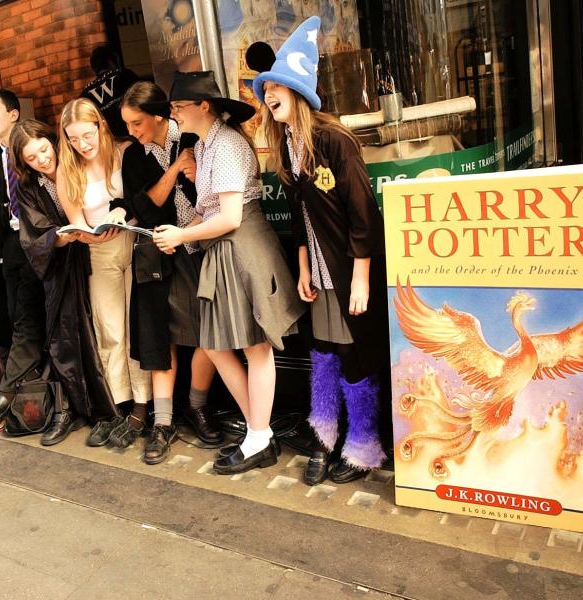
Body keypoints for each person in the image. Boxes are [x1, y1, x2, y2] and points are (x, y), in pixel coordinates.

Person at [252, 17, 390, 484]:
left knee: (355, 353)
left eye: (276, 87)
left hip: (351, 268)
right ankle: (325, 434)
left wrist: (360, 276)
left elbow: (362, 213)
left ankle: (365, 444)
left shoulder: (335, 139)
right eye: (264, 88)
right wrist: (303, 266)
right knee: (325, 350)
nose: (268, 95)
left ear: (298, 92)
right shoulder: (285, 143)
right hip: (321, 268)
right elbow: (299, 215)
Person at [152, 71, 304, 475]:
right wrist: (179, 227)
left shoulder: (228, 144)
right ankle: (260, 433)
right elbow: (213, 212)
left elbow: (231, 216)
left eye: (178, 108)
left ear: (203, 106)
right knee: (219, 347)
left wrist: (183, 232)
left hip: (242, 246)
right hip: (225, 250)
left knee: (255, 348)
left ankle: (258, 436)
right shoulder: (208, 147)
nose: (174, 115)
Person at [0, 119, 118, 444]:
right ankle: (71, 409)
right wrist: (62, 238)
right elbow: (33, 234)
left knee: (104, 332)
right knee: (63, 340)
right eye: (32, 158)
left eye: (44, 150)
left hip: (98, 254)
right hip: (61, 264)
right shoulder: (29, 185)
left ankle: (110, 410)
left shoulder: (76, 165)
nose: (42, 160)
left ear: (52, 140)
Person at [119, 82, 224, 464]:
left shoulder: (194, 137)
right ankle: (163, 423)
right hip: (156, 253)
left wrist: (188, 166)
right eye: (127, 124)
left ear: (160, 114)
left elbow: (211, 196)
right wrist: (177, 169)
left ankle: (197, 406)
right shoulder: (133, 157)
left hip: (201, 246)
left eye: (137, 123)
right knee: (159, 337)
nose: (131, 131)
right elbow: (145, 210)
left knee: (211, 331)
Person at [57, 97, 152, 447]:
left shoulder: (125, 151)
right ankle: (118, 404)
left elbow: (144, 200)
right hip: (98, 251)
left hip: (136, 243)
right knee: (110, 329)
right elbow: (77, 222)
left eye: (86, 135)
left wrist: (126, 218)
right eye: (73, 139)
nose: (81, 145)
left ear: (99, 125)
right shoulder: (68, 170)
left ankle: (143, 404)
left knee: (137, 326)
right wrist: (83, 233)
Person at [0, 88, 46, 424]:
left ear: (14, 114)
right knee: (16, 316)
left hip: (42, 241)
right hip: (11, 247)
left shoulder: (35, 149)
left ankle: (8, 393)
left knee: (30, 319)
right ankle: (26, 395)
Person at [80, 46, 140, 139]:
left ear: (94, 68)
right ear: (111, 61)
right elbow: (147, 96)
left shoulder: (85, 93)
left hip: (111, 143)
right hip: (136, 134)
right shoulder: (123, 74)